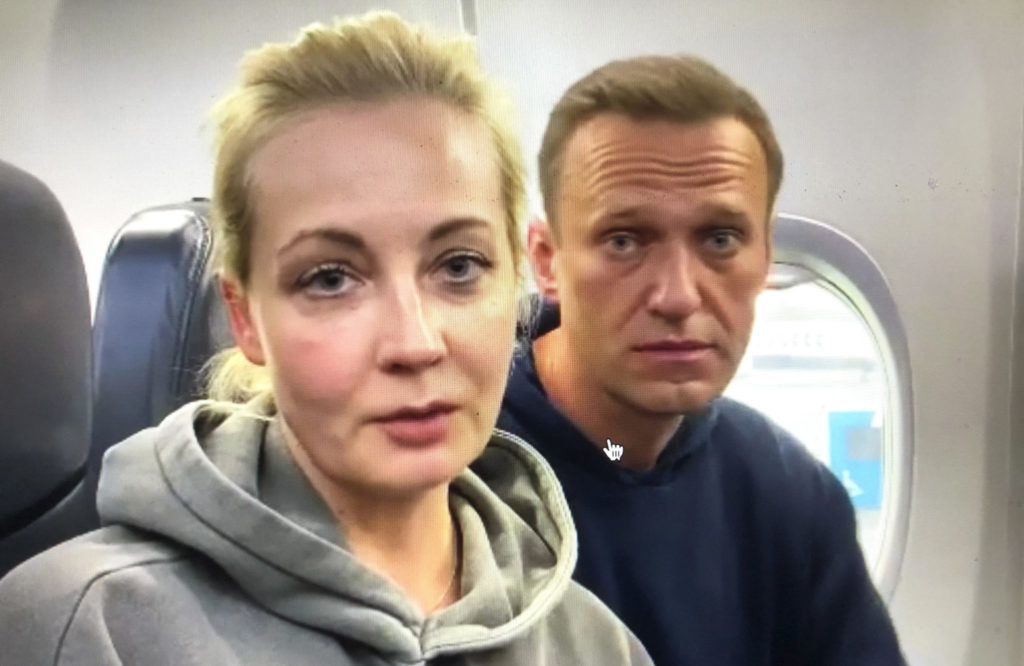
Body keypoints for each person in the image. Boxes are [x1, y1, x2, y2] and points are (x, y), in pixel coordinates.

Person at [0, 13, 652, 665]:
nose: (414, 343)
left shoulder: (597, 644)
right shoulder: (83, 629)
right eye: (331, 279)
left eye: (459, 266)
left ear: (515, 281)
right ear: (246, 318)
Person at [497, 54, 907, 665]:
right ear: (546, 259)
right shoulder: (459, 466)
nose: (678, 296)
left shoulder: (789, 494)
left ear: (764, 258)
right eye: (624, 241)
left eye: (719, 240)